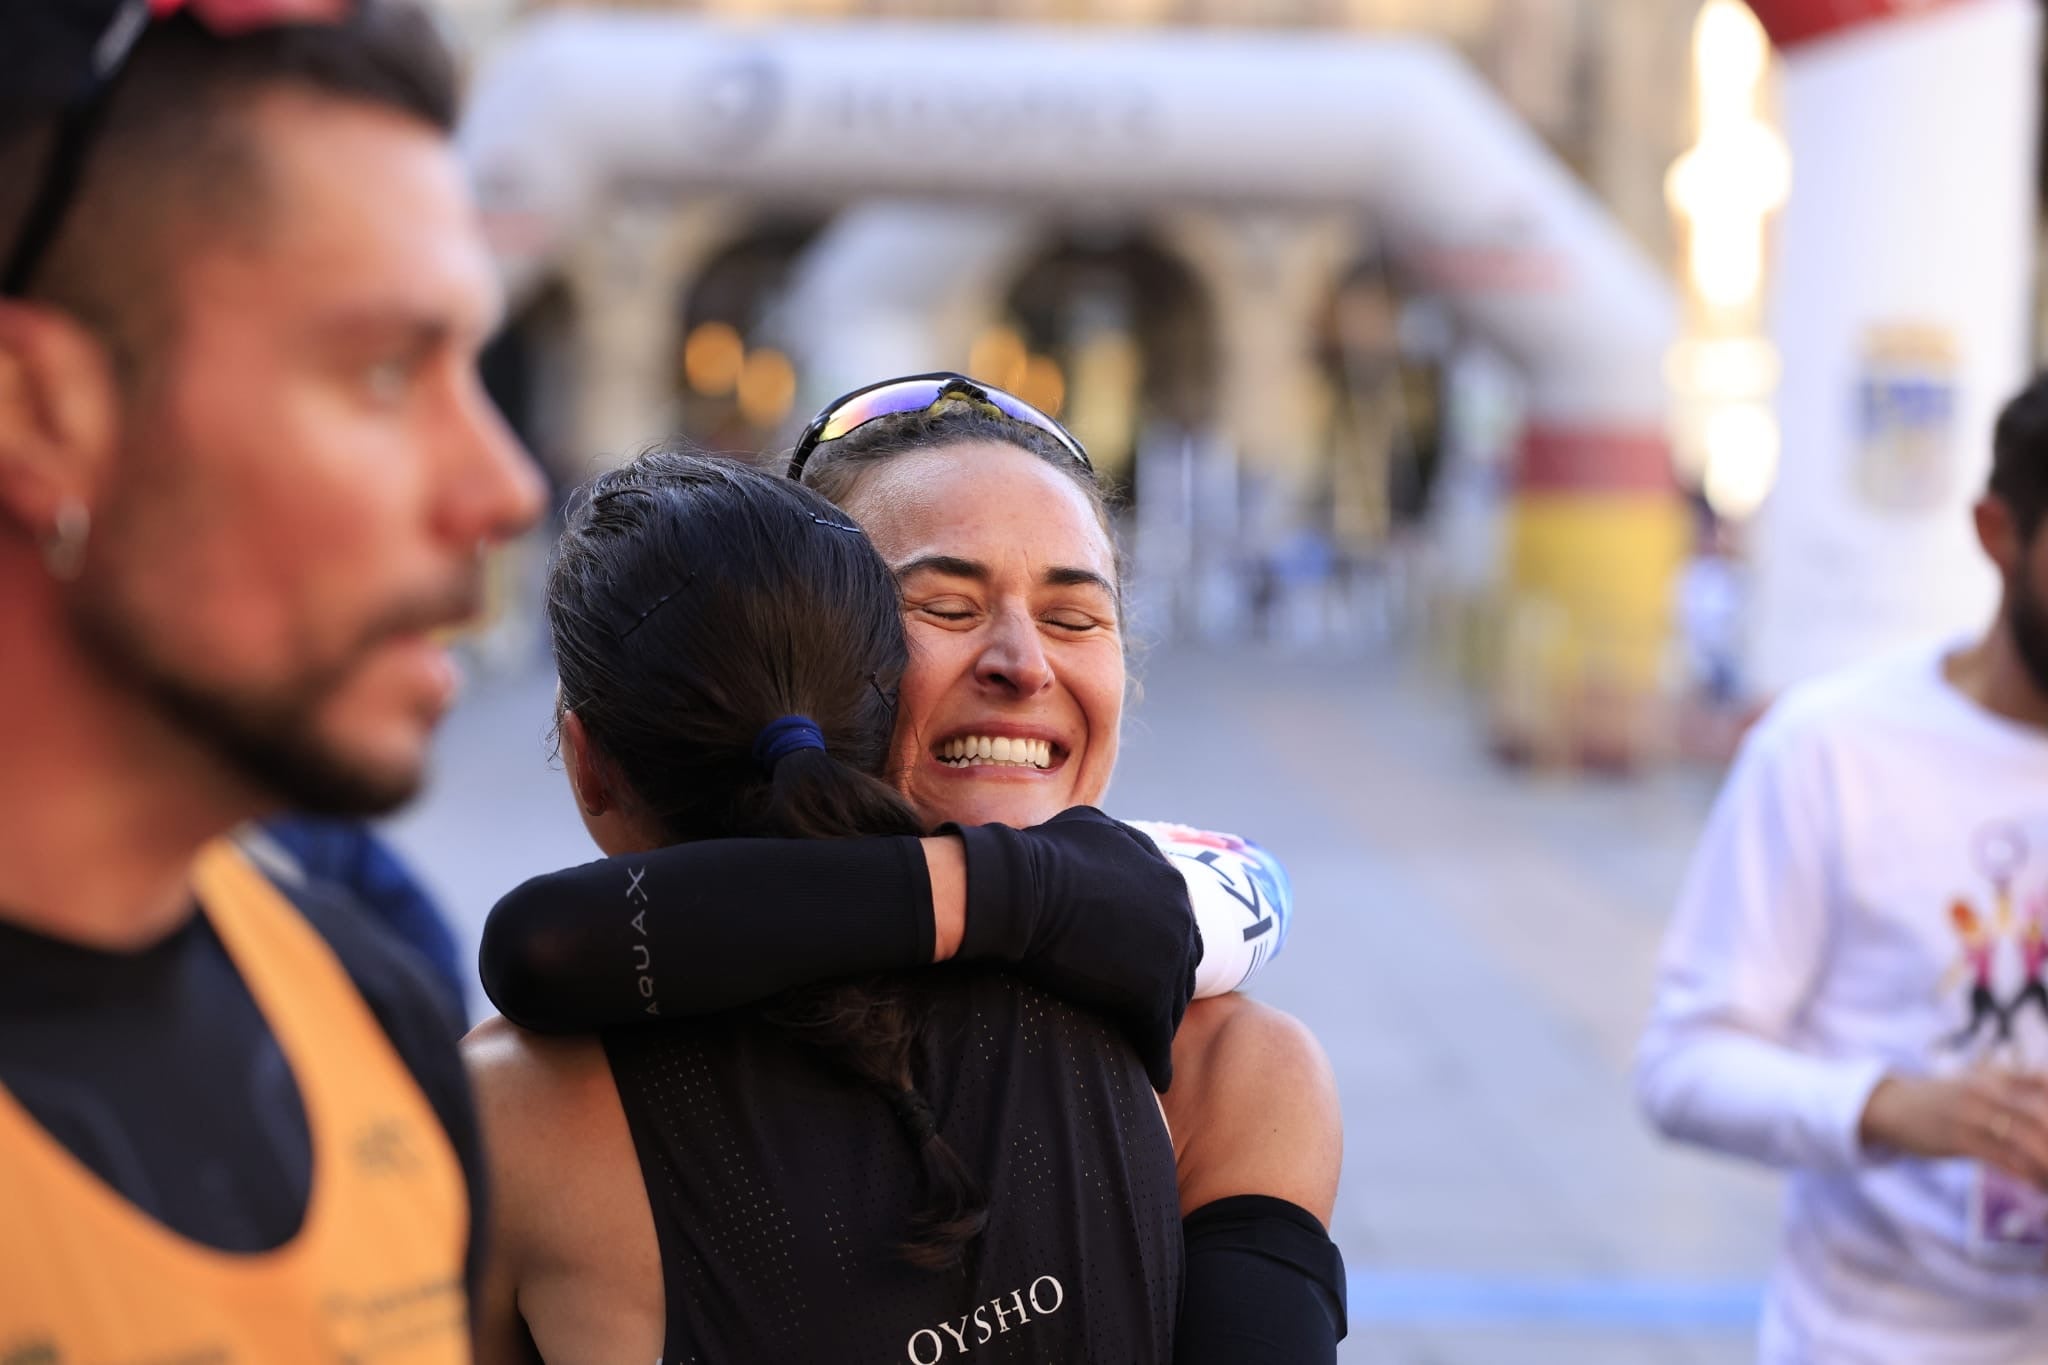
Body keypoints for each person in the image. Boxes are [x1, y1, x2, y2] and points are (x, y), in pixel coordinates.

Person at [478, 374, 1347, 1362]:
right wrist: (1031, 893)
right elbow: (544, 946)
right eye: (941, 604)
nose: (1022, 663)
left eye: (1074, 620)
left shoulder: (1226, 1067)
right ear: (814, 653)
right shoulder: (547, 1096)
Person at [0, 2, 544, 1358]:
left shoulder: (377, 1013)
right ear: (33, 414)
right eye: (379, 370)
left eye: (470, 367)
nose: (503, 488)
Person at [1637, 374, 2048, 1362]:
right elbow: (1681, 1067)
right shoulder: (1830, 748)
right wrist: (1889, 1108)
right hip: (1870, 1337)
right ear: (1997, 534)